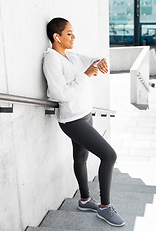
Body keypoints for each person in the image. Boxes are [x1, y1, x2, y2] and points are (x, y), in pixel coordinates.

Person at [42, 17, 125, 227]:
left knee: (81, 157)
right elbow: (57, 93)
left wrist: (101, 61)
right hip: (72, 119)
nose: (73, 37)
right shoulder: (51, 59)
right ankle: (105, 207)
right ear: (56, 37)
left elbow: (90, 59)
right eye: (69, 33)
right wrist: (86, 75)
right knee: (109, 155)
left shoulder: (69, 55)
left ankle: (85, 200)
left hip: (85, 113)